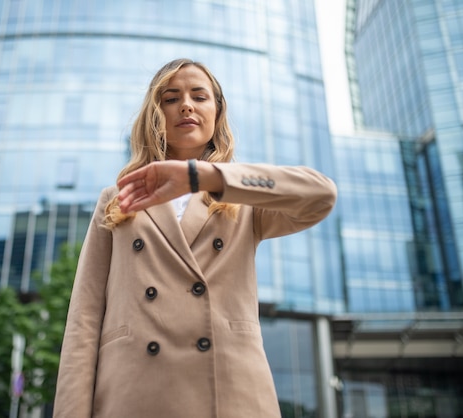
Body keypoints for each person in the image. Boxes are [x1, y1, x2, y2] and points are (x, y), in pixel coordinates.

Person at [53, 58, 337, 418]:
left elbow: (321, 195)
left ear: (217, 112)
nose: (186, 104)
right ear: (155, 114)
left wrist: (205, 177)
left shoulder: (241, 196)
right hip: (134, 394)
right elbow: (84, 320)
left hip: (230, 392)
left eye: (199, 96)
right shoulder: (117, 199)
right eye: (171, 98)